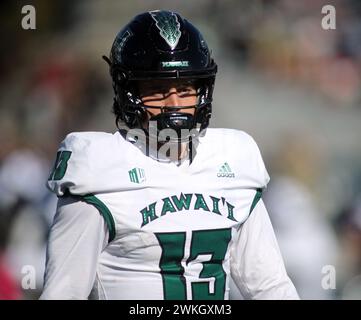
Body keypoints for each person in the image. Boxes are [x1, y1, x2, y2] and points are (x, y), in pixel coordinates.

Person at [40, 10, 299, 300]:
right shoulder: (99, 169)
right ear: (128, 93)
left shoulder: (234, 162)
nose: (175, 103)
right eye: (157, 89)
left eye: (186, 88)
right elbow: (63, 294)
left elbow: (270, 288)